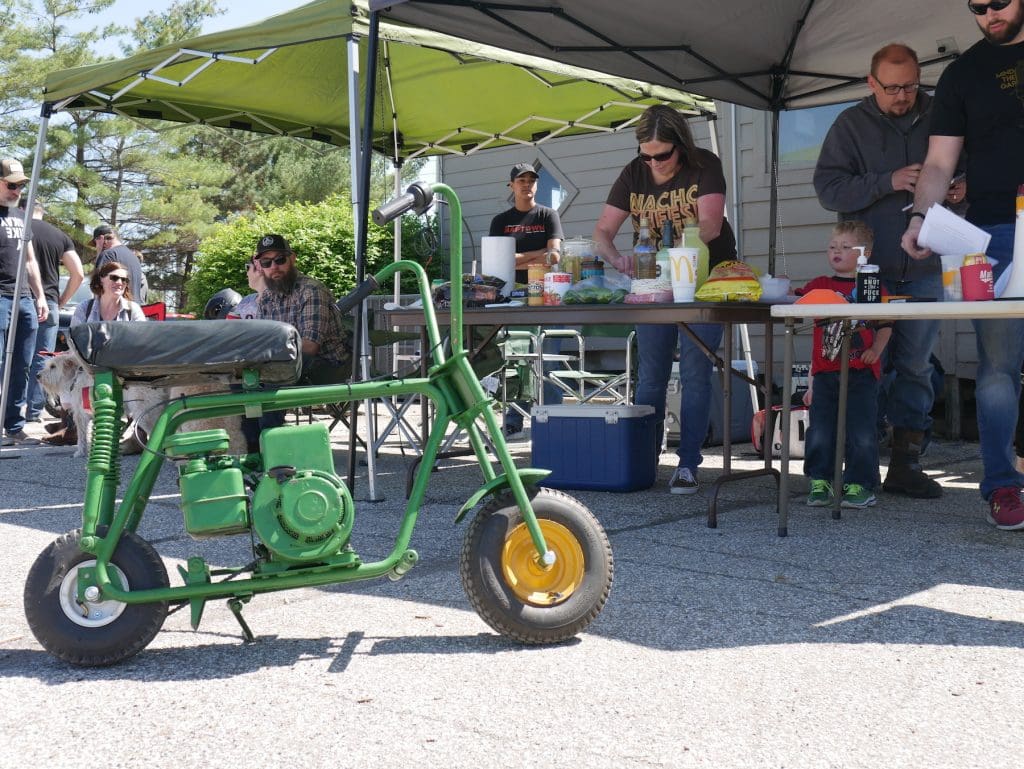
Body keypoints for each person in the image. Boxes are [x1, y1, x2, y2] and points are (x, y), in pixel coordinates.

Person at [814, 43, 965, 500]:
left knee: (916, 366)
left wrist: (959, 191)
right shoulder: (850, 125)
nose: (903, 95)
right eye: (893, 87)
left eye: (910, 85)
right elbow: (828, 188)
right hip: (870, 270)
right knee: (865, 363)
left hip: (926, 262)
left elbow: (969, 168)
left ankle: (906, 463)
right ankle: (862, 464)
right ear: (871, 83)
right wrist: (889, 180)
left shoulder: (942, 113)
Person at [901, 0, 1024, 531]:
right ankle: (1002, 486)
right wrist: (920, 219)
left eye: (999, 2)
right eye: (977, 6)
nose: (989, 13)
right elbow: (938, 162)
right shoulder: (962, 73)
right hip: (995, 231)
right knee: (997, 368)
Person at [593, 104, 737, 494]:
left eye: (663, 155)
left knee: (694, 373)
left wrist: (665, 260)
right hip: (653, 286)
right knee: (651, 378)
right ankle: (644, 458)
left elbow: (709, 224)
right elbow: (603, 231)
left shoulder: (704, 164)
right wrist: (616, 258)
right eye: (647, 155)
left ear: (681, 145)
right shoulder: (633, 172)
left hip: (705, 281)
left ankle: (688, 462)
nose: (654, 162)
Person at [800, 222, 893, 509]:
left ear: (866, 252)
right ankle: (820, 479)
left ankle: (859, 483)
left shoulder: (872, 285)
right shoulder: (819, 286)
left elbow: (887, 323)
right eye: (832, 247)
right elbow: (796, 301)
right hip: (826, 373)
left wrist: (876, 349)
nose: (836, 251)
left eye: (845, 247)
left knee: (862, 430)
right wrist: (811, 382)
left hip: (861, 372)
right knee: (820, 430)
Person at [243, 233, 351, 450]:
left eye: (280, 260)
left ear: (292, 259)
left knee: (266, 388)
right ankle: (253, 453)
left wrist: (266, 363)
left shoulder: (311, 290)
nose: (274, 267)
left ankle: (273, 457)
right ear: (260, 266)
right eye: (266, 262)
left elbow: (309, 346)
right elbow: (263, 342)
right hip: (288, 363)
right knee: (237, 386)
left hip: (326, 367)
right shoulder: (266, 297)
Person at [489, 162, 564, 438]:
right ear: (511, 186)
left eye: (531, 180)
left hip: (546, 294)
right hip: (511, 296)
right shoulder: (501, 221)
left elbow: (555, 255)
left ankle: (553, 417)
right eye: (521, 180)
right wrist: (538, 252)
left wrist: (518, 257)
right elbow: (498, 260)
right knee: (516, 358)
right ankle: (513, 419)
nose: (526, 185)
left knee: (549, 358)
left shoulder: (548, 215)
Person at [0, 158, 49, 446]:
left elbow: (30, 262)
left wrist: (40, 296)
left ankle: (14, 426)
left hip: (25, 300)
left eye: (20, 185)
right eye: (11, 184)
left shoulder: (22, 216)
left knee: (23, 364)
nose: (17, 190)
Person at [22, 200, 84, 423]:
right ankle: (34, 413)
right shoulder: (59, 236)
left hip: (18, 298)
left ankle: (10, 413)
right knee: (43, 359)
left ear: (22, 209)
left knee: (14, 358)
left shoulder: (16, 228)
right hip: (49, 303)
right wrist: (61, 299)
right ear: (42, 212)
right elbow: (78, 274)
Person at [70, 261, 147, 326]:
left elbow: (142, 339)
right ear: (101, 280)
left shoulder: (133, 310)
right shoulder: (84, 308)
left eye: (124, 280)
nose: (119, 283)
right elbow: (74, 338)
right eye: (114, 278)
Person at [92, 225, 147, 304]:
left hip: (115, 310)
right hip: (134, 310)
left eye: (95, 243)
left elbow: (97, 285)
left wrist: (99, 252)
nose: (95, 246)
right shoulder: (134, 257)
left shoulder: (107, 254)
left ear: (101, 238)